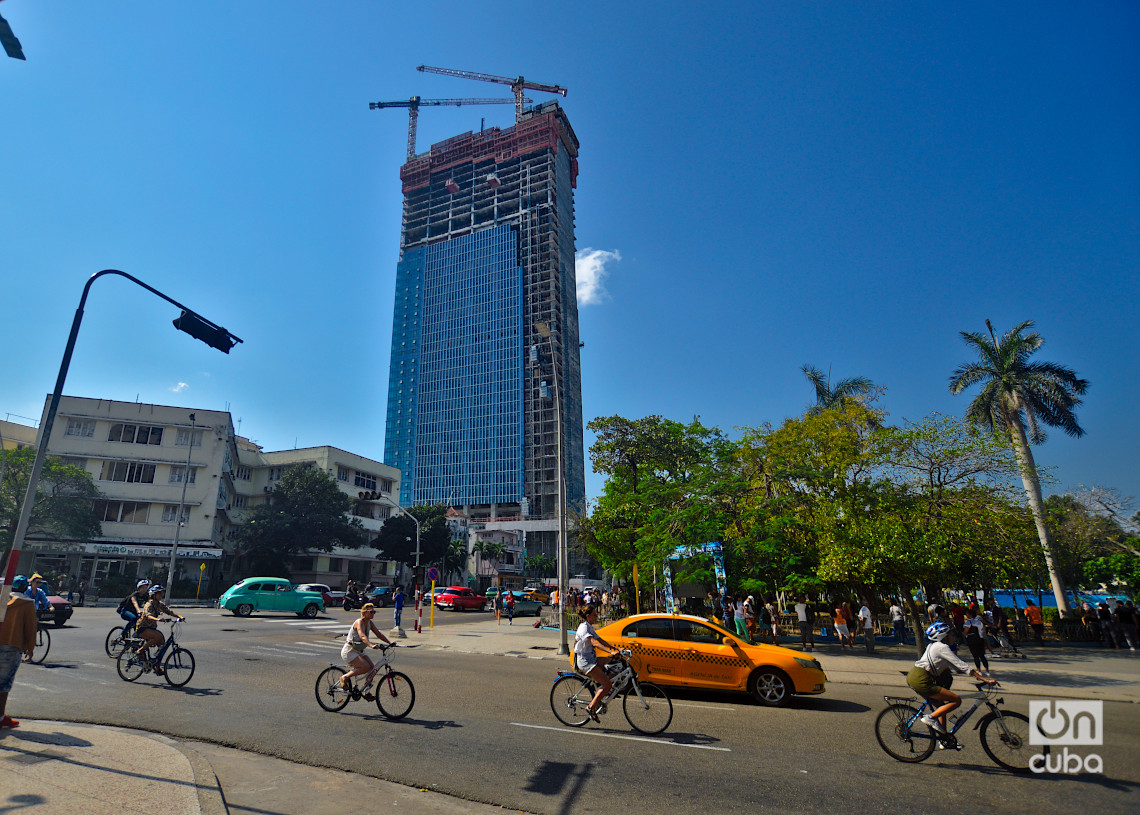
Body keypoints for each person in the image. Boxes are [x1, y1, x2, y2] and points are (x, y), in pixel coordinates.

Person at [907, 622, 996, 737]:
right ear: (943, 636)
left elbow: (956, 667)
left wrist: (970, 673)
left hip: (915, 677)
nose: (953, 637)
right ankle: (930, 717)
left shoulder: (933, 646)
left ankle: (944, 738)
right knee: (956, 700)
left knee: (941, 706)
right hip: (922, 680)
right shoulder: (941, 647)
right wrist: (984, 678)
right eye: (950, 634)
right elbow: (960, 664)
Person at [0, 576, 38, 728]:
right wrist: (30, 647)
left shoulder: (3, 600)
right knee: (4, 684)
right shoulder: (28, 603)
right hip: (13, 645)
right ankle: (1, 717)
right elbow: (30, 627)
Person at [574, 605, 621, 722]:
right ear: (588, 616)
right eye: (595, 614)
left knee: (615, 664)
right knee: (607, 684)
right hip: (585, 662)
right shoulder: (583, 628)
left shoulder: (589, 627)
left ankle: (601, 691)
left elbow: (600, 640)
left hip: (592, 658)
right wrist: (610, 651)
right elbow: (594, 642)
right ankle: (591, 707)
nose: (597, 616)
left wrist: (615, 648)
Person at [340, 603, 392, 693]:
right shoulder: (359, 622)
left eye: (374, 612)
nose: (373, 614)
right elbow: (362, 636)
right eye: (371, 612)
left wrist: (390, 643)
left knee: (372, 668)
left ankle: (366, 691)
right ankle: (344, 677)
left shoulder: (369, 623)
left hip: (359, 650)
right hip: (350, 651)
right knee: (365, 666)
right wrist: (371, 644)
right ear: (364, 612)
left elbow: (379, 634)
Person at [134, 585, 185, 674]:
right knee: (158, 636)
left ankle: (157, 668)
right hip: (142, 628)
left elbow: (169, 612)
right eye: (159, 593)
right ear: (154, 595)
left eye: (162, 593)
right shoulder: (148, 604)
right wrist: (158, 619)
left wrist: (179, 616)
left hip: (151, 628)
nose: (161, 595)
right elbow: (148, 616)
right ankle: (140, 651)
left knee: (162, 646)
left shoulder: (159, 604)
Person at [963, 607, 990, 673]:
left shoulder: (968, 622)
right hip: (980, 639)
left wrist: (963, 635)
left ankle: (979, 670)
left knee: (975, 656)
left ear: (969, 615)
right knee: (982, 655)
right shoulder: (979, 622)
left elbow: (966, 631)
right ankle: (987, 670)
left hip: (972, 640)